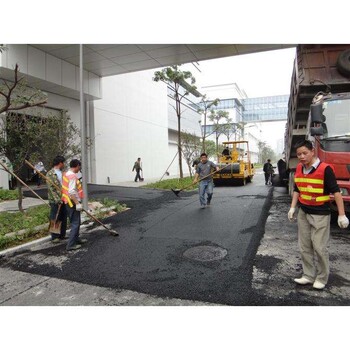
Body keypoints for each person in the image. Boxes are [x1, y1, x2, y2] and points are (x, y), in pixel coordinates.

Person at [288, 140, 349, 290]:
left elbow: (336, 192)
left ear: (312, 151)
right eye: (299, 154)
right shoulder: (299, 169)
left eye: (305, 153)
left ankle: (322, 278)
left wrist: (342, 214)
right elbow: (297, 189)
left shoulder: (325, 169)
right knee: (304, 246)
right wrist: (292, 207)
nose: (302, 156)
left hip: (320, 214)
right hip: (304, 212)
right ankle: (308, 276)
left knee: (319, 247)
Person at [61, 159, 87, 251]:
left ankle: (76, 239)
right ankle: (71, 245)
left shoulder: (67, 174)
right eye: (79, 167)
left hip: (68, 201)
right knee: (75, 223)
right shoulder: (72, 176)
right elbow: (71, 191)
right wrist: (77, 203)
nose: (79, 169)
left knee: (77, 221)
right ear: (77, 166)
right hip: (72, 202)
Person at [46, 156, 68, 243]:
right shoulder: (50, 174)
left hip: (63, 198)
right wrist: (57, 200)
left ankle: (62, 235)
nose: (64, 164)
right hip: (55, 200)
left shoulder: (62, 173)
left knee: (63, 217)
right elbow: (51, 188)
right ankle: (54, 236)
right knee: (55, 217)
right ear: (60, 163)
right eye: (63, 163)